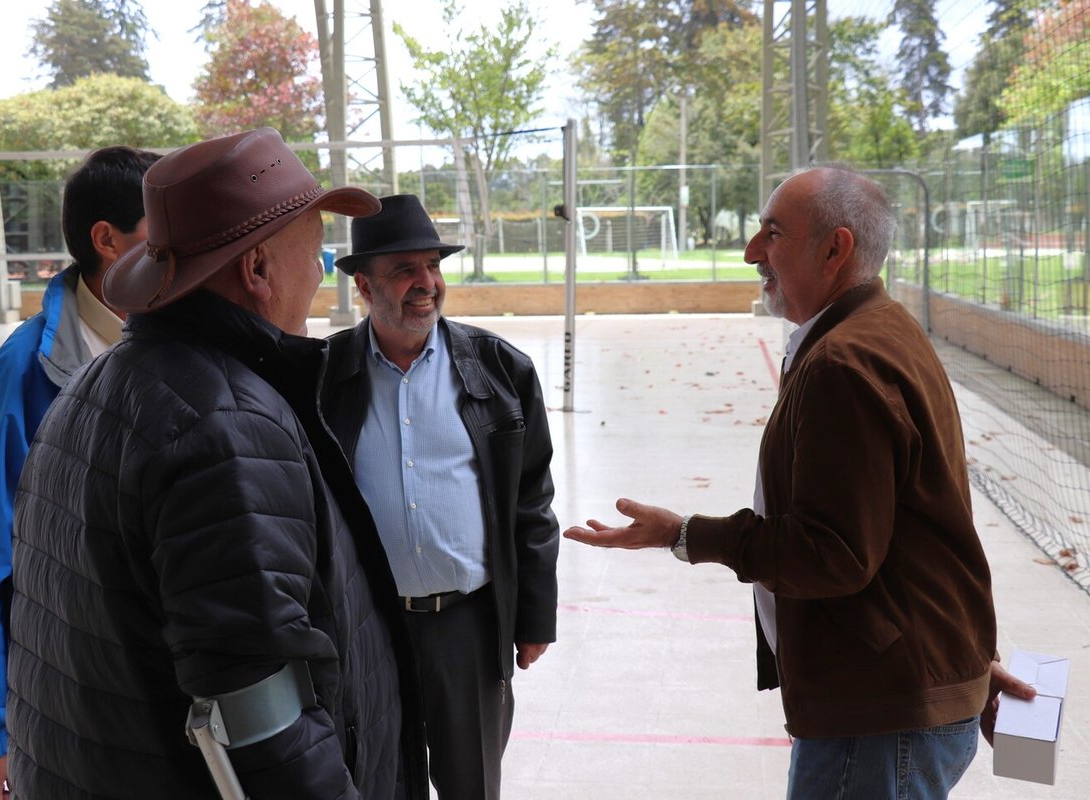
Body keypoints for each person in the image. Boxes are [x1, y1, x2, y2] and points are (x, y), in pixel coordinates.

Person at [564, 165, 1036, 798]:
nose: (751, 251)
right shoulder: (879, 330)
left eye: (773, 233)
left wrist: (685, 534)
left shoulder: (844, 362)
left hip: (878, 719)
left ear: (835, 249)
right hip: (907, 693)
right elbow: (924, 527)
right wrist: (963, 659)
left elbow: (831, 554)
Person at [6, 129, 428, 799]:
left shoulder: (93, 390)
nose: (322, 274)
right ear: (257, 269)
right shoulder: (223, 428)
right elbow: (262, 724)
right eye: (315, 252)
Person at [0, 145, 160, 800]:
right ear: (107, 240)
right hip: (65, 709)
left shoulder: (182, 348)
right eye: (162, 232)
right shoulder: (20, 377)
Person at [321, 193, 560, 799]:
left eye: (432, 266)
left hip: (467, 626)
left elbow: (531, 500)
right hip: (369, 626)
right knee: (378, 779)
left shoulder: (500, 370)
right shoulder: (324, 376)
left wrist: (534, 616)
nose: (426, 283)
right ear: (365, 287)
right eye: (405, 269)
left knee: (469, 784)